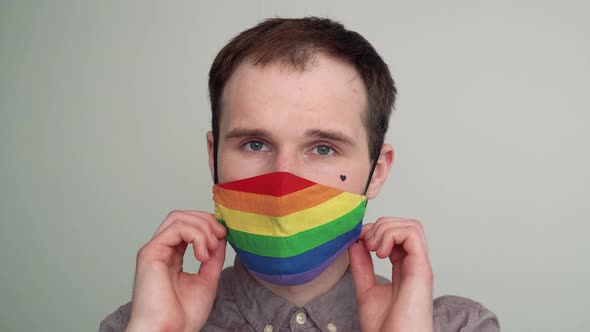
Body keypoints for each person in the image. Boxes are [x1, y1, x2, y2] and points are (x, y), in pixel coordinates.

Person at [100, 17, 499, 332]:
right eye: (255, 144)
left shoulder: (462, 326)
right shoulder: (135, 325)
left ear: (377, 172)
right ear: (213, 156)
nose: (282, 181)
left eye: (323, 148)